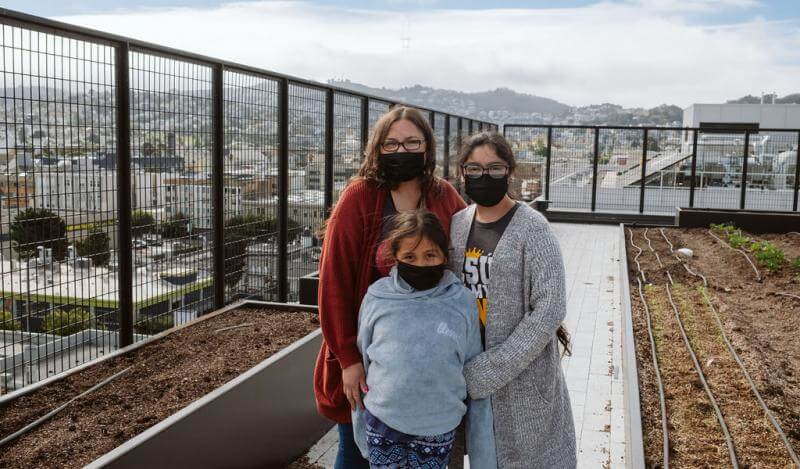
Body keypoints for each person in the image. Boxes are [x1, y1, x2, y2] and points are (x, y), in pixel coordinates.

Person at [313, 106, 466, 469]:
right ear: (377, 148)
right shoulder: (359, 198)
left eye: (412, 142)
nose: (402, 151)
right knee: (355, 450)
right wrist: (348, 360)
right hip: (369, 355)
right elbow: (333, 283)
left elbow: (470, 248)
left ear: (428, 147)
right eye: (392, 144)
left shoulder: (442, 196)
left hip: (429, 360)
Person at [451, 131, 576, 468]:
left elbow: (550, 307)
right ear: (461, 172)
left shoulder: (533, 228)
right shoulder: (457, 225)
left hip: (521, 379)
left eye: (494, 167)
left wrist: (493, 368)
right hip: (469, 374)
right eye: (473, 169)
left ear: (509, 171)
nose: (483, 176)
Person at [351, 210, 496, 469]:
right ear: (394, 257)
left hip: (438, 425)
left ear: (444, 255)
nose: (420, 264)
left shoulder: (462, 301)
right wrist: (360, 423)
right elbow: (364, 359)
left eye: (430, 255)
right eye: (409, 256)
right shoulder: (377, 298)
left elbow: (472, 364)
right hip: (383, 423)